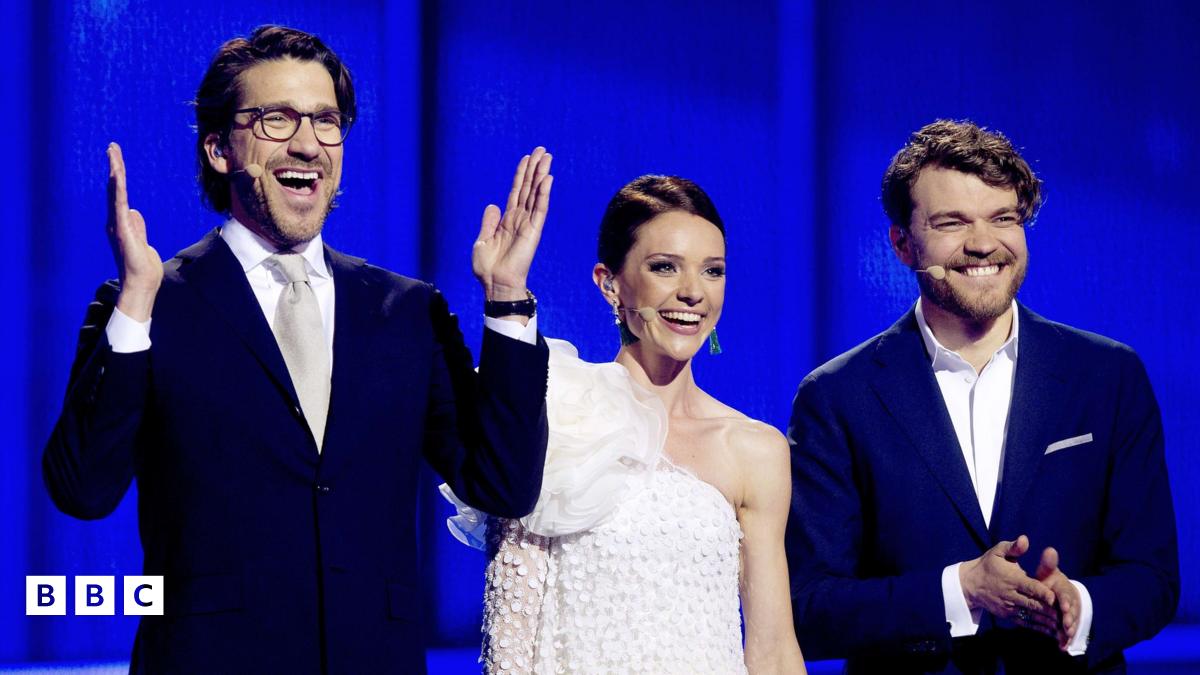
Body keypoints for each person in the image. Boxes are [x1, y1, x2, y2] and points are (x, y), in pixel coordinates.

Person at [42, 25, 553, 673]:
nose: (308, 143)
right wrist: (138, 301)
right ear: (220, 148)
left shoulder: (407, 310)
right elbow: (83, 490)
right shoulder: (147, 302)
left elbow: (502, 485)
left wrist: (507, 299)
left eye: (326, 121)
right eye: (276, 119)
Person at [786, 119, 1178, 673]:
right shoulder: (836, 397)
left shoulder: (1109, 376)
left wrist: (1080, 607)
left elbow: (1154, 577)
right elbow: (808, 606)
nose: (983, 243)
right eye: (952, 222)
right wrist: (959, 592)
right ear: (902, 244)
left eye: (1003, 218)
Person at [445, 175, 806, 674]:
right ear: (609, 283)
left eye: (712, 271)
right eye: (664, 267)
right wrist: (506, 291)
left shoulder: (755, 449)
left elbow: (773, 650)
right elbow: (510, 639)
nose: (692, 292)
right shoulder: (556, 413)